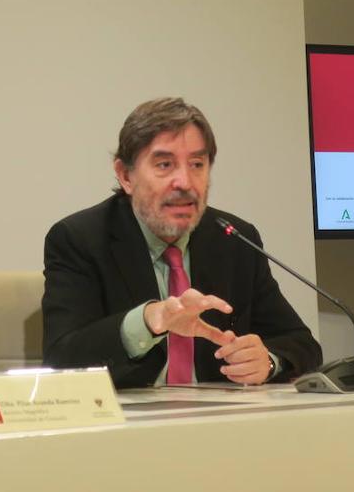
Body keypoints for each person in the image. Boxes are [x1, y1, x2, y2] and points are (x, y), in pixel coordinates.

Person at [42, 98, 322, 388]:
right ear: (126, 175)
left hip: (218, 422)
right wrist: (151, 319)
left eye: (197, 164)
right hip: (128, 425)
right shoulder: (80, 239)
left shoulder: (234, 239)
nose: (185, 182)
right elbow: (62, 360)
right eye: (164, 164)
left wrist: (268, 361)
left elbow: (301, 344)